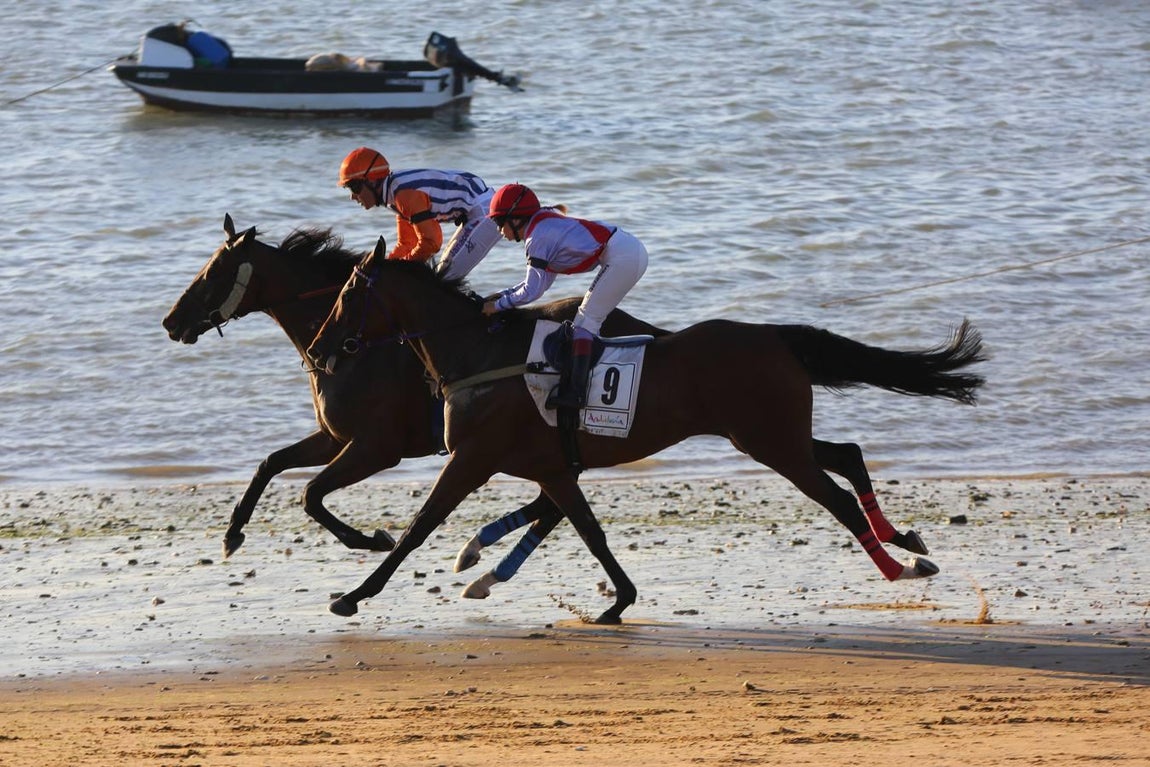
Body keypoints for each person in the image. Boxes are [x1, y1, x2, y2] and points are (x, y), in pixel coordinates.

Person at [482, 183, 649, 409]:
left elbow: (532, 291)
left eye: (499, 223)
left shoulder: (537, 238)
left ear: (516, 219)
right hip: (623, 250)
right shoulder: (540, 226)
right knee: (584, 322)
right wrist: (499, 297)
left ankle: (576, 395)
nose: (500, 231)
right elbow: (539, 283)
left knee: (586, 323)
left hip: (623, 256)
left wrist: (498, 306)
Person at [338, 147, 501, 281]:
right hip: (475, 211)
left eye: (354, 188)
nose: (352, 196)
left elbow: (432, 242)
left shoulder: (403, 194)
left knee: (444, 278)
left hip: (484, 211)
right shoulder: (394, 194)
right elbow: (407, 243)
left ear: (372, 181)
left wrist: (400, 269)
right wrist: (386, 266)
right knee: (441, 273)